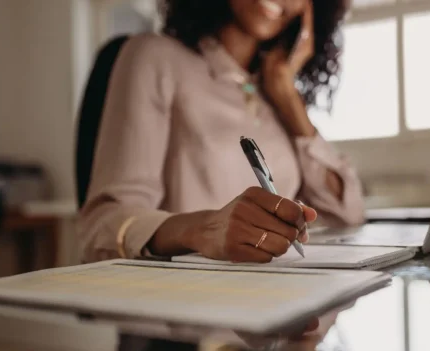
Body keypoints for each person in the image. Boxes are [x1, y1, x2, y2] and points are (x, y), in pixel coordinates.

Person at [77, 0, 365, 264]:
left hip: (275, 298)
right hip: (181, 306)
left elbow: (348, 215)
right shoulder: (154, 57)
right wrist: (201, 230)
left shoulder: (275, 96)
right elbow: (102, 228)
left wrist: (286, 94)